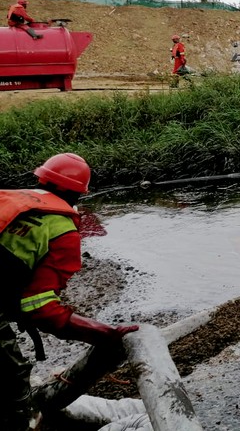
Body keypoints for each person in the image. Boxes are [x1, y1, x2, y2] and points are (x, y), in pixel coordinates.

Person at [0, 153, 139, 430]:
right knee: (11, 380)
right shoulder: (61, 228)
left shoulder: (5, 198)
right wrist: (105, 334)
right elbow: (41, 308)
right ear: (78, 193)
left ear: (40, 178)